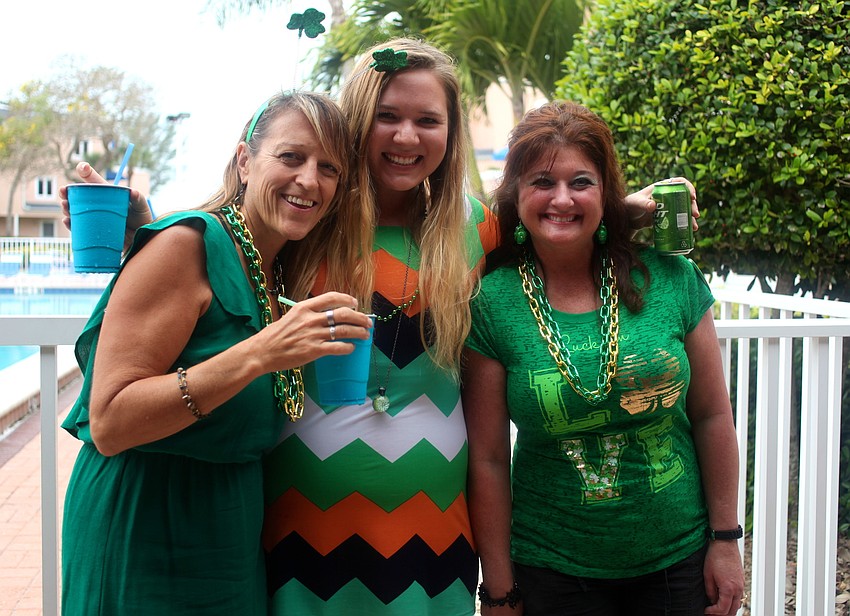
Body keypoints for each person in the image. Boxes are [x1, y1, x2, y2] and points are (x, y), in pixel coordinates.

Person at [260, 39, 702, 616]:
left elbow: (549, 223)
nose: (406, 137)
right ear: (357, 121)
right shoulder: (304, 218)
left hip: (436, 528)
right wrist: (142, 222)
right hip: (303, 526)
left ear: (451, 133)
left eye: (428, 120)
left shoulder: (474, 229)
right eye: (386, 117)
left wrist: (628, 210)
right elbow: (222, 246)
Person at [58, 91, 373, 616]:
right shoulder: (186, 244)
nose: (309, 181)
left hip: (226, 533)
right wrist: (260, 353)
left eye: (329, 169)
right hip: (144, 527)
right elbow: (111, 421)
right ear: (245, 161)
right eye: (290, 157)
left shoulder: (271, 269)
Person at [462, 100, 744, 616]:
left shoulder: (672, 279)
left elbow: (711, 414)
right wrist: (499, 589)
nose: (562, 199)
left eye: (581, 182)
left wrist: (726, 540)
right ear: (517, 194)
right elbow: (487, 459)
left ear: (606, 192)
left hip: (677, 561)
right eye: (542, 182)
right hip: (552, 568)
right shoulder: (493, 302)